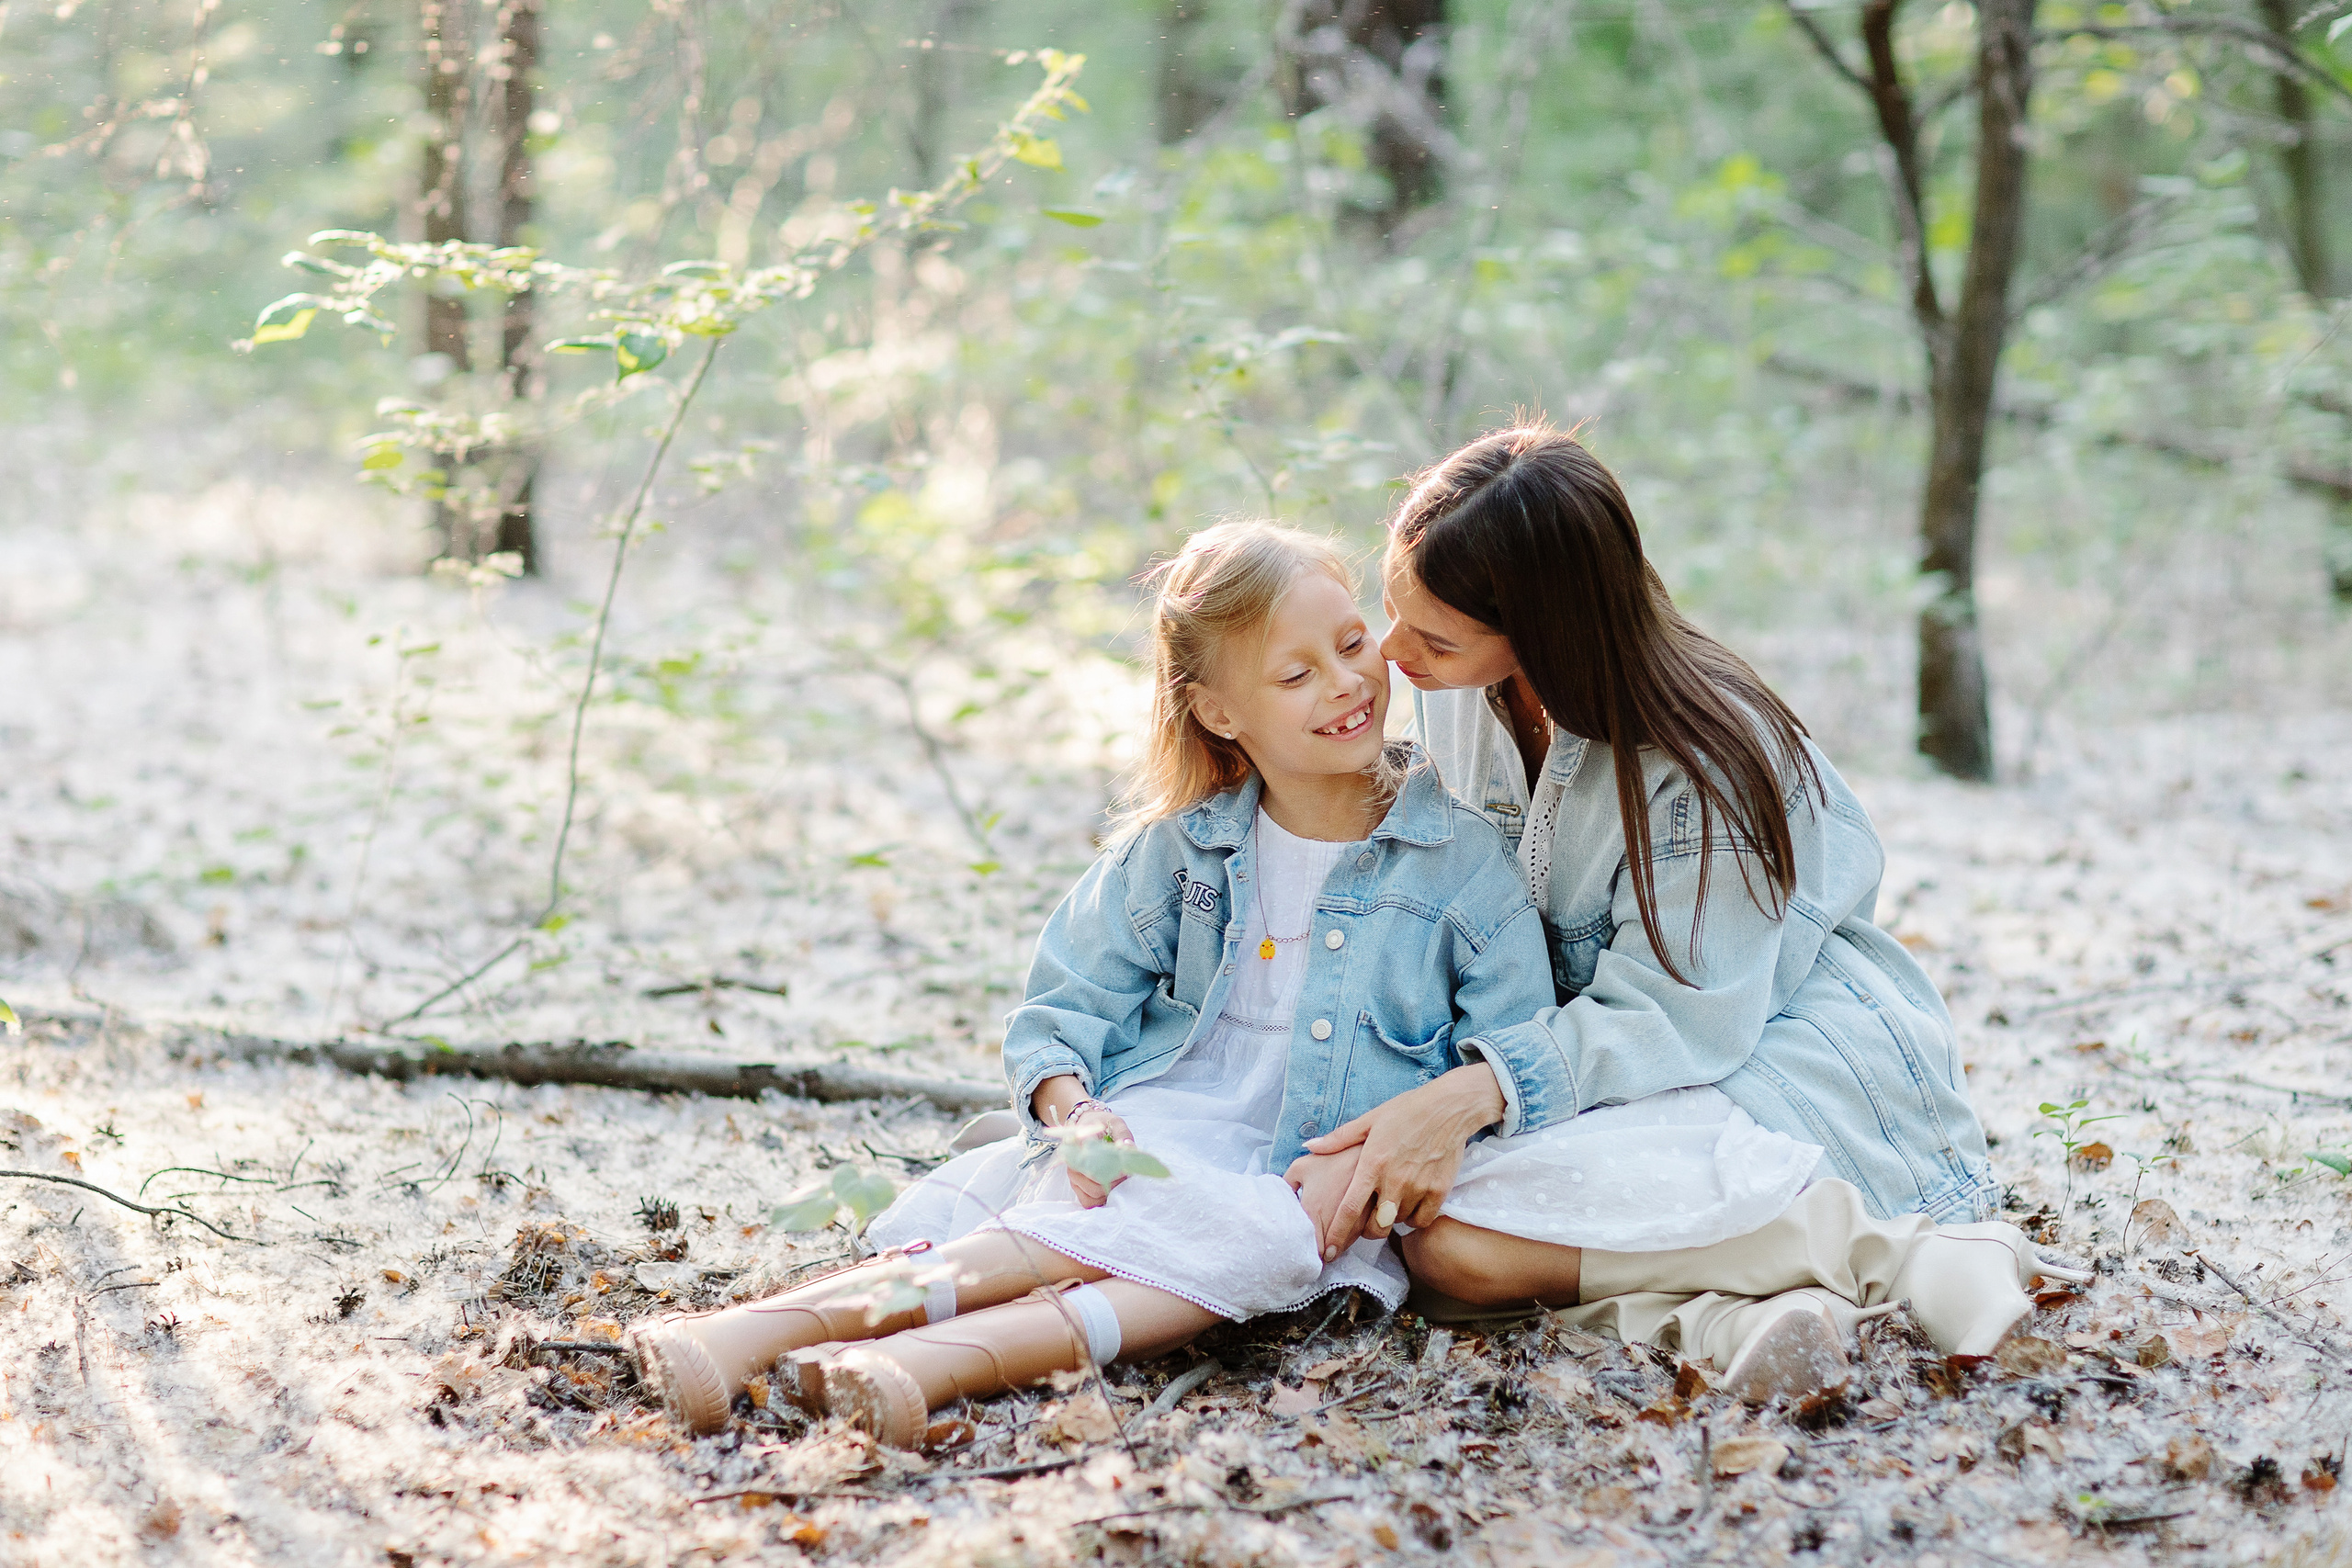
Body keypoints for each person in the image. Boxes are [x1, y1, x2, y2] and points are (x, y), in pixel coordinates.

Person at [630, 520, 1861, 1445]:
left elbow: (1509, 1046)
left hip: (1320, 1161)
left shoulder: (1464, 856)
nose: (1348, 682)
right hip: (1174, 1118)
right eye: (1296, 674)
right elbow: (1066, 1005)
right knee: (1048, 1229)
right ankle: (763, 1330)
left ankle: (932, 1367)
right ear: (1219, 709)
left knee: (1239, 1245)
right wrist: (1075, 1109)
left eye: (1349, 646)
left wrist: (1402, 1147)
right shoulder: (1185, 848)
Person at [1280, 421, 2084, 1357]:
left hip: (1759, 1063)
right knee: (1416, 1240)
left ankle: (1901, 1256)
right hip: (1598, 1077)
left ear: (1541, 631)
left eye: (1433, 638)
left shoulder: (1700, 761)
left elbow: (1683, 1019)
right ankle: (1733, 1324)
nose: (1391, 652)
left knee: (1451, 1243)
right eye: (1392, 609)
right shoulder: (1467, 692)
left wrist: (1467, 1097)